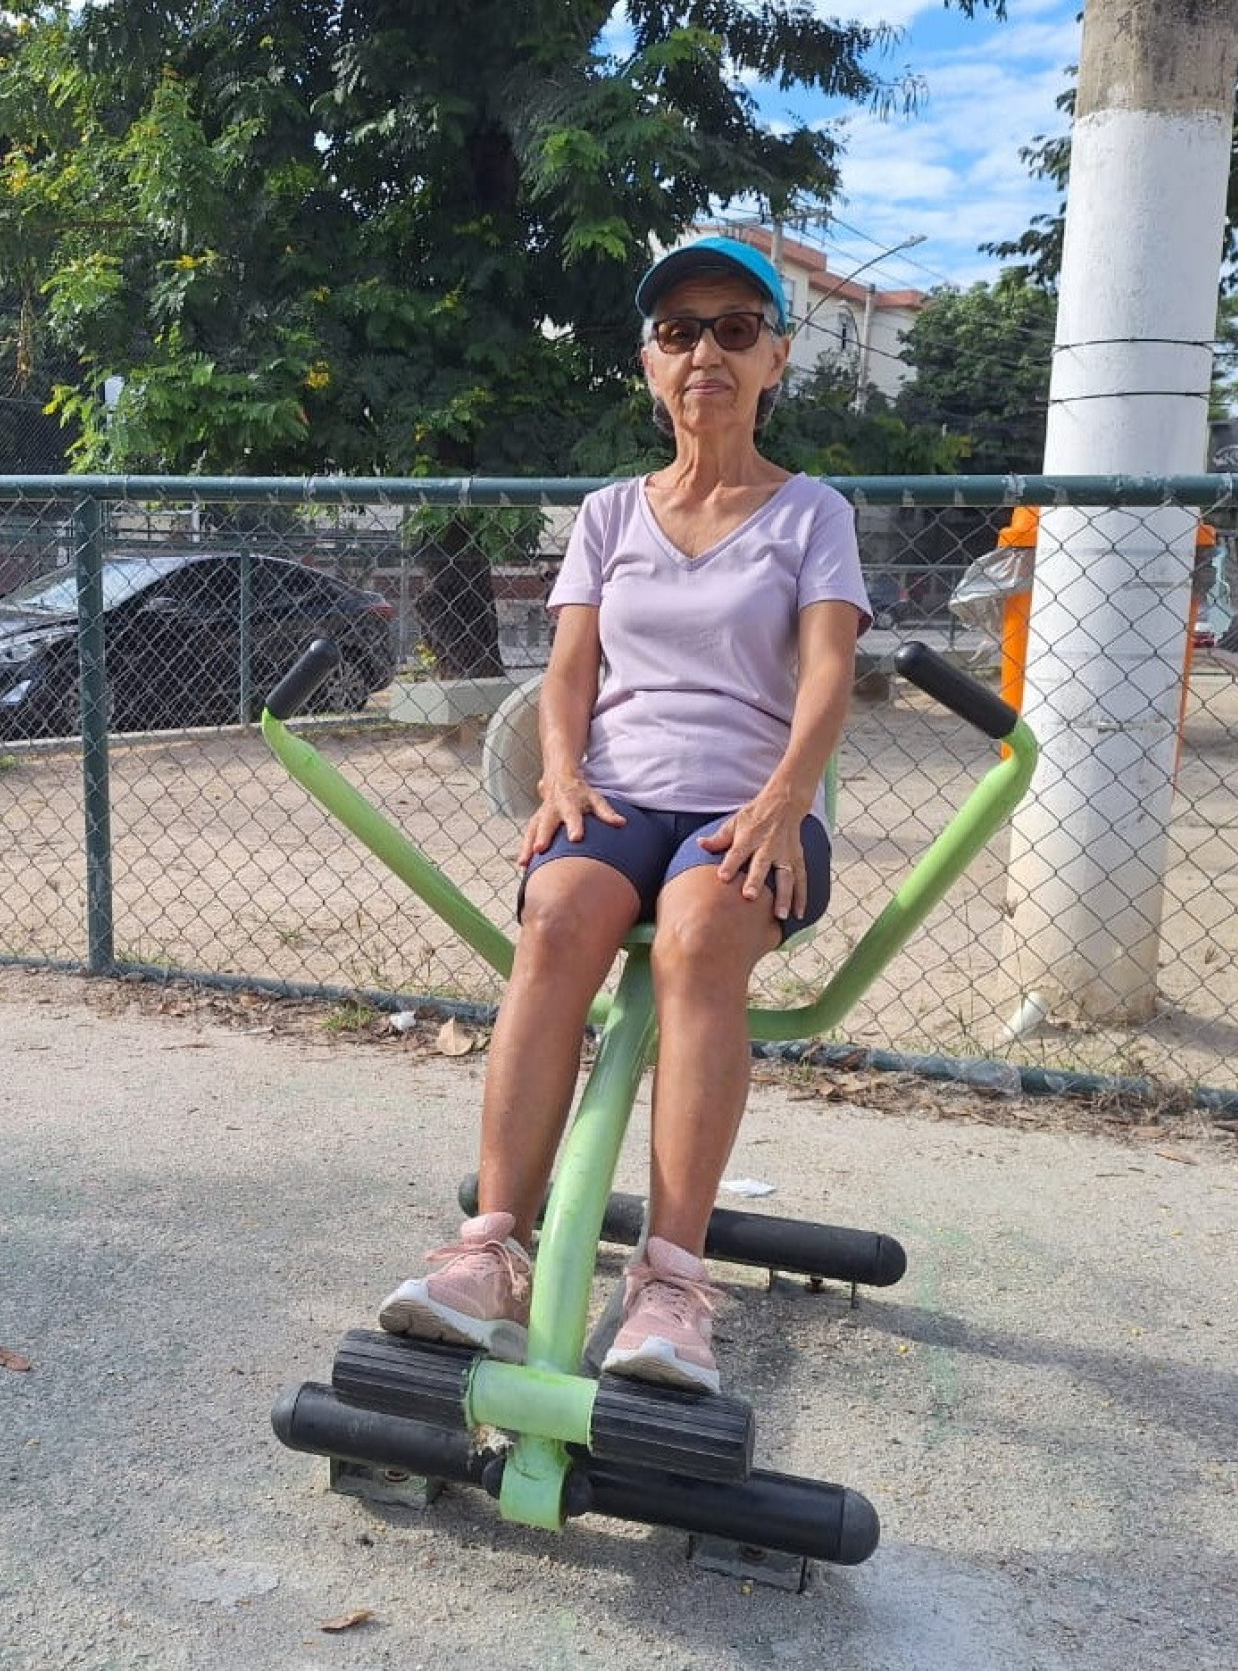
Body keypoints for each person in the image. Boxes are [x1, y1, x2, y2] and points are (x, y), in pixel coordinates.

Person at [378, 236, 872, 1394]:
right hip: (619, 796)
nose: (706, 351)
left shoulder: (813, 515)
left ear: (775, 361)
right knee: (556, 918)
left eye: (735, 329)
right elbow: (568, 674)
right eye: (679, 332)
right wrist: (560, 774)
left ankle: (672, 1282)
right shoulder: (607, 514)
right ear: (649, 367)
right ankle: (492, 1248)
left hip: (746, 807)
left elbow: (828, 676)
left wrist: (786, 798)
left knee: (699, 940)